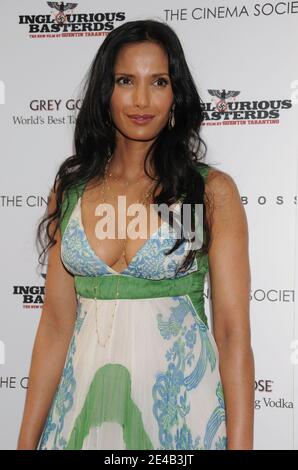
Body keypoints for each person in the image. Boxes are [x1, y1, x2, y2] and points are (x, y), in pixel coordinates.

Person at [17, 19, 254, 450]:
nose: (141, 99)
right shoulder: (71, 192)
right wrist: (24, 443)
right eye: (126, 80)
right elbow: (54, 325)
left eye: (158, 81)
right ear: (105, 93)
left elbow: (232, 333)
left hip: (182, 421)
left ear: (175, 94)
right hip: (79, 422)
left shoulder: (200, 192)